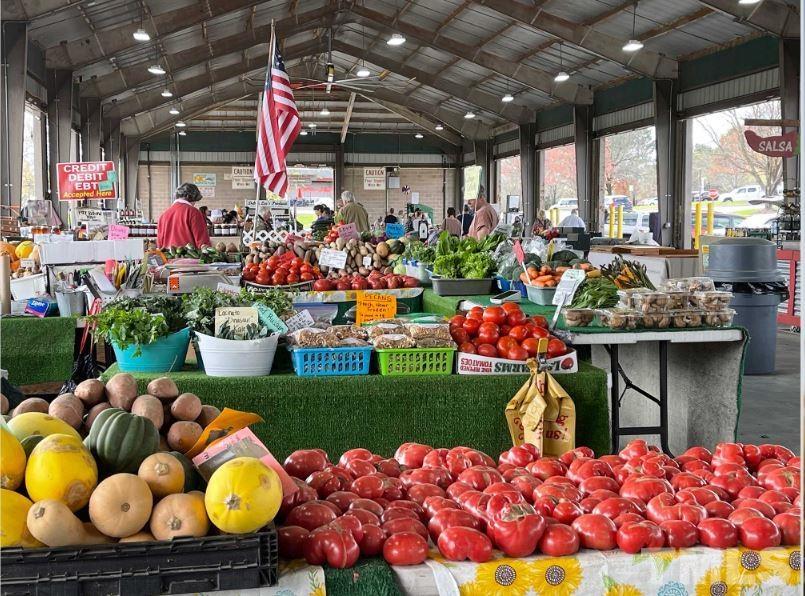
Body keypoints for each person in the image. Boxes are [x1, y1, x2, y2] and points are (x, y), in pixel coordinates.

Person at [157, 183, 211, 248]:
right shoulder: (194, 212)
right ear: (191, 197)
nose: (194, 204)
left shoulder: (163, 215)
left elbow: (159, 244)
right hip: (189, 257)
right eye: (195, 201)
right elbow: (203, 244)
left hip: (168, 257)